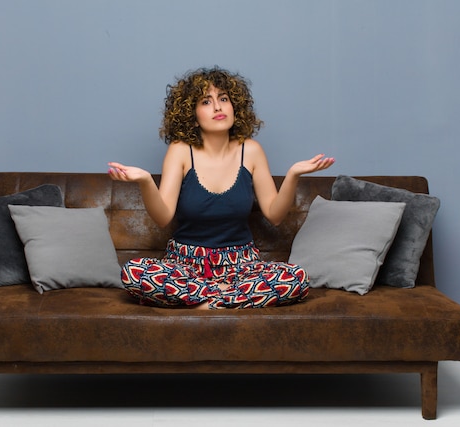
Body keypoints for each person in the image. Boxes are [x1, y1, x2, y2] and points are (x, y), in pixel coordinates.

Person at [108, 66, 334, 309]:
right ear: (192, 116)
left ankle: (204, 304)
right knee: (133, 273)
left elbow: (275, 215)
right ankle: (228, 302)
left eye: (223, 99)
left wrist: (293, 175)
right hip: (186, 266)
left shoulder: (252, 150)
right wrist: (145, 180)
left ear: (234, 106)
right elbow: (163, 217)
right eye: (206, 101)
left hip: (243, 266)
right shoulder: (181, 150)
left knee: (296, 278)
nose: (218, 107)